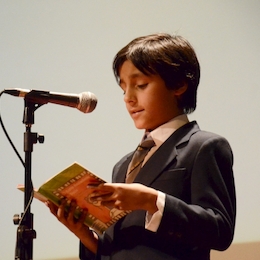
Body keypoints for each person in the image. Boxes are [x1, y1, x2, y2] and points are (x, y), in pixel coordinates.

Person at [47, 33, 236, 260]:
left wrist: (151, 200)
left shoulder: (203, 146)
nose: (128, 98)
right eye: (124, 89)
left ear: (179, 84)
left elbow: (220, 230)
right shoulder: (123, 166)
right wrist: (86, 235)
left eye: (141, 85)